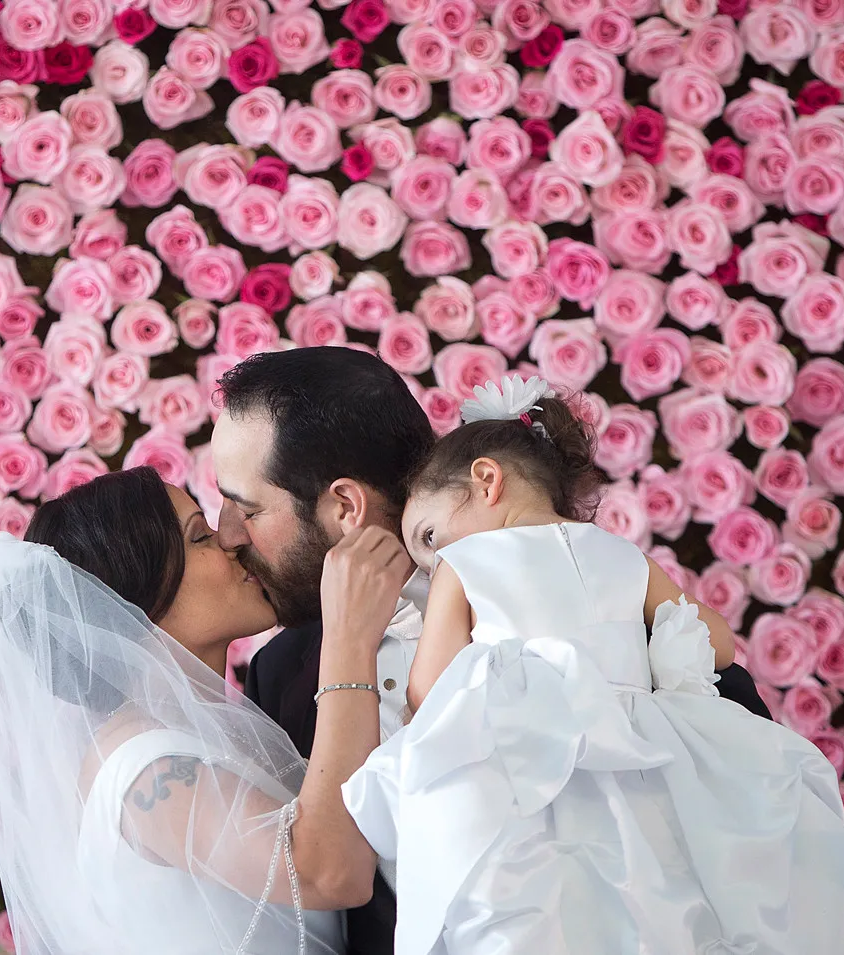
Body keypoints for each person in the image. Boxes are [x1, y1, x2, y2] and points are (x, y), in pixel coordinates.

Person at [209, 346, 774, 954]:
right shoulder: (281, 671)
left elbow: (736, 777)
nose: (226, 533)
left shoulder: (586, 598)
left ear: (346, 507)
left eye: (247, 508)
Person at [342, 376, 844, 955]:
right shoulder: (621, 555)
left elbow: (429, 693)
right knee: (675, 879)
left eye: (428, 537)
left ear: (486, 480)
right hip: (646, 750)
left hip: (537, 764)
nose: (432, 563)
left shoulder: (466, 562)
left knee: (560, 909)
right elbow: (716, 643)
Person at [0, 466, 408, 954]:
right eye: (200, 536)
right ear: (134, 598)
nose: (232, 540)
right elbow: (328, 871)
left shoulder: (213, 731)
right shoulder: (142, 772)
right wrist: (349, 635)